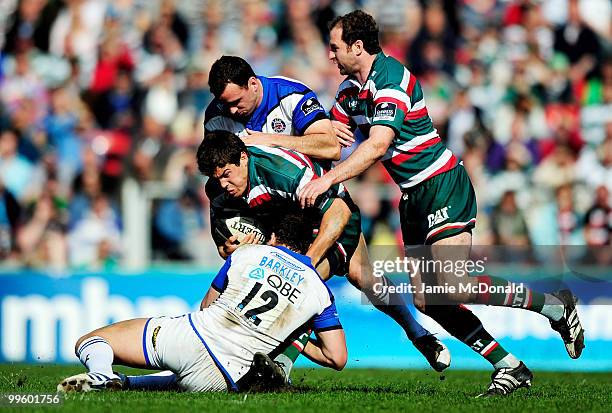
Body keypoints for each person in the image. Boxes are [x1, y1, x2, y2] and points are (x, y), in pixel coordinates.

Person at [298, 10, 585, 396]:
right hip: (413, 197)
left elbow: (379, 143)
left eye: (335, 48)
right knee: (428, 300)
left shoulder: (391, 79)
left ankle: (554, 305)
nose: (330, 55)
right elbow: (333, 140)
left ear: (358, 46)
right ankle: (510, 366)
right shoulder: (350, 92)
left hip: (442, 184)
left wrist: (329, 179)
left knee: (452, 284)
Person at [202, 57, 451, 376]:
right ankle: (270, 364)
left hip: (314, 204)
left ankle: (417, 333)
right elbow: (218, 173)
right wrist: (224, 236)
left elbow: (331, 147)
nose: (233, 113)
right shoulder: (216, 117)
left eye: (236, 103)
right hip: (267, 212)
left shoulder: (289, 97)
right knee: (292, 283)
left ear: (253, 84)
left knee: (357, 277)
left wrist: (269, 139)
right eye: (226, 106)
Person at [58, 212, 347, 393]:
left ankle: (101, 375)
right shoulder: (320, 292)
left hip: (191, 338)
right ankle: (125, 384)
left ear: (274, 236)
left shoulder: (248, 254)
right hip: (227, 377)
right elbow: (337, 358)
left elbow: (207, 306)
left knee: (93, 340)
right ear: (313, 245)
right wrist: (292, 334)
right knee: (187, 381)